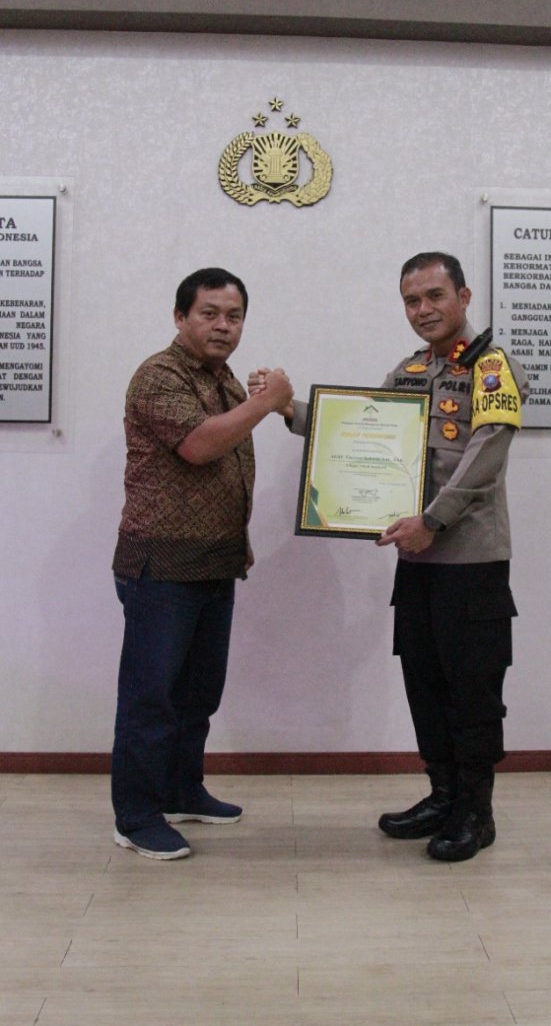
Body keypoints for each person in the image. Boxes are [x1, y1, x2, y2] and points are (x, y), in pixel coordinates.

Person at [282, 252, 528, 862]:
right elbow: (359, 430)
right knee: (425, 683)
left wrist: (433, 521)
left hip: (471, 563)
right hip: (416, 564)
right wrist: (287, 409)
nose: (423, 310)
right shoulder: (410, 370)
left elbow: (487, 454)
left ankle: (476, 812)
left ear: (464, 297)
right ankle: (443, 796)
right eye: (412, 300)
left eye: (434, 296)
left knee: (472, 692)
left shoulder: (493, 367)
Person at [111, 267, 292, 860]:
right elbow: (200, 445)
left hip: (216, 562)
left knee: (197, 696)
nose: (222, 326)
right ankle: (136, 816)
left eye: (233, 316)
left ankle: (181, 790)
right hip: (161, 567)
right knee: (152, 699)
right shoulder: (159, 374)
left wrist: (271, 401)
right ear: (180, 316)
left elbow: (242, 433)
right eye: (209, 313)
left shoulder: (224, 378)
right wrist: (265, 402)